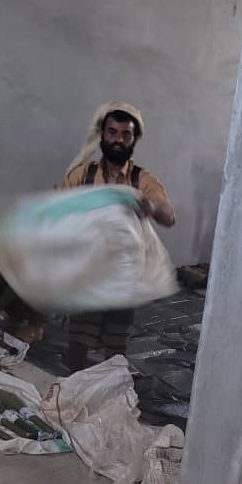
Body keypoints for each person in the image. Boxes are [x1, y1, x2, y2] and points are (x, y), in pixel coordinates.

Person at [58, 101, 176, 372]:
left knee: (116, 344)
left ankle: (111, 385)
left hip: (123, 277)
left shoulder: (140, 179)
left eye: (126, 135)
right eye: (112, 132)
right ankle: (72, 384)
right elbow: (57, 210)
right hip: (88, 272)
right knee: (79, 339)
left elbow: (169, 216)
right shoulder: (82, 175)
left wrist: (152, 206)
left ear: (134, 139)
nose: (118, 140)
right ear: (103, 134)